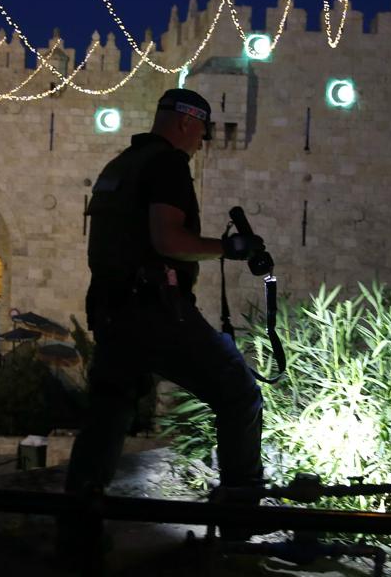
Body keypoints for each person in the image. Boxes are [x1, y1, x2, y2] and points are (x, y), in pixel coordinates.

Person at [60, 89, 266, 557]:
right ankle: (239, 521)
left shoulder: (120, 166)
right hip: (156, 313)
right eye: (204, 131)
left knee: (109, 414)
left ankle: (77, 532)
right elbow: (167, 238)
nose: (203, 142)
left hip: (113, 315)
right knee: (239, 393)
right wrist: (228, 248)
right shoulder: (168, 165)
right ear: (187, 123)